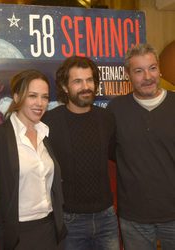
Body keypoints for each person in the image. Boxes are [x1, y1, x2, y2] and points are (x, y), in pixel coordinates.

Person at [42, 56, 120, 250]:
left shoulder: (107, 118)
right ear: (65, 87)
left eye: (89, 80)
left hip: (106, 217)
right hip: (70, 220)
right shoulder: (49, 122)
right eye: (77, 81)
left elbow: (116, 156)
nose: (86, 86)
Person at [0, 69, 67, 250]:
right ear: (16, 97)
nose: (40, 103)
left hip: (50, 229)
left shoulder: (45, 133)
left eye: (45, 97)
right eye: (32, 96)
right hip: (17, 234)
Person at [107, 43, 175, 250]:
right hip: (134, 219)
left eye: (152, 68)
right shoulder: (115, 110)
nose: (147, 76)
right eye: (139, 71)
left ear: (159, 69)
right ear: (128, 75)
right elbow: (112, 155)